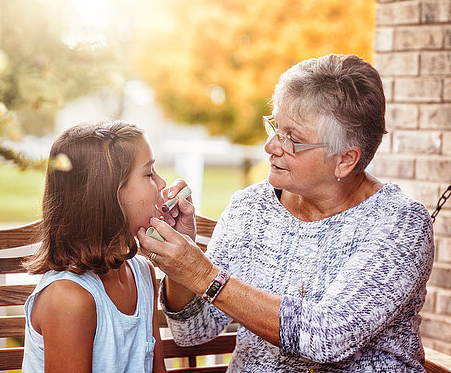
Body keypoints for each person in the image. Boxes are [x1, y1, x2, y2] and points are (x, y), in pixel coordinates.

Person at [138, 54, 434, 372]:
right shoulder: (250, 208)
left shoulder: (399, 224)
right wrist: (182, 266)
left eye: (292, 139)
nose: (271, 146)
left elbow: (327, 337)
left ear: (345, 160)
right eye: (276, 127)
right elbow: (193, 330)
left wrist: (203, 274)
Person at [21, 121, 167, 373]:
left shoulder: (142, 273)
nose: (163, 184)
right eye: (150, 174)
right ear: (110, 195)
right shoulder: (68, 298)